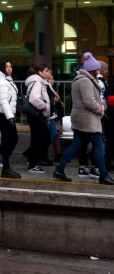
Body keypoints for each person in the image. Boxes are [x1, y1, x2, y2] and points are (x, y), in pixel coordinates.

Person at [53, 53, 114, 185]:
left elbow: (95, 99)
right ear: (92, 70)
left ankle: (59, 170)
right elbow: (89, 101)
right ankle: (103, 175)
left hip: (83, 118)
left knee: (76, 145)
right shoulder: (85, 81)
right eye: (97, 69)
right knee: (99, 145)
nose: (99, 71)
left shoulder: (82, 79)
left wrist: (102, 104)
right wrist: (101, 110)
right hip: (87, 119)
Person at [22, 64, 51, 173]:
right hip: (36, 114)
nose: (48, 73)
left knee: (41, 138)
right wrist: (45, 106)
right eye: (46, 71)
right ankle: (32, 163)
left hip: (34, 115)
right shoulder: (38, 82)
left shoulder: (36, 81)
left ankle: (31, 157)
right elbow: (34, 99)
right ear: (40, 72)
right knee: (39, 139)